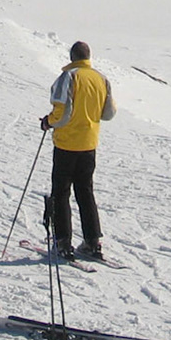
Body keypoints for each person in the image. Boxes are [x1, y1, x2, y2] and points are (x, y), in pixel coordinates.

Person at [41, 40, 115, 261]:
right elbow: (109, 113)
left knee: (61, 193)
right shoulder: (101, 78)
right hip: (89, 144)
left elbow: (62, 113)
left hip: (67, 144)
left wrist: (48, 122)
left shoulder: (69, 77)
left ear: (72, 57)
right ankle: (93, 242)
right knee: (85, 192)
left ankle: (63, 242)